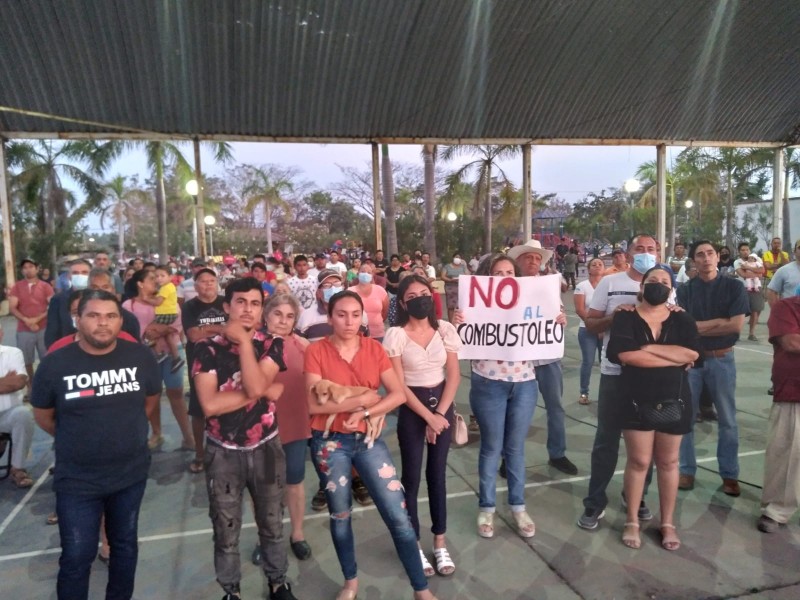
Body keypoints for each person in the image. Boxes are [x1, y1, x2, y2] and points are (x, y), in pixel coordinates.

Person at [304, 290, 437, 600]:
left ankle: (421, 589)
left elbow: (398, 394)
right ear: (330, 317)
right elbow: (313, 405)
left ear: (363, 317)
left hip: (368, 439)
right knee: (340, 516)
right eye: (341, 314)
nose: (349, 321)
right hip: (329, 442)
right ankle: (350, 583)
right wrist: (365, 396)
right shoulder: (316, 352)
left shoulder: (374, 350)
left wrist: (365, 410)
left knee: (398, 515)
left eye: (355, 314)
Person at [31, 289, 162, 600]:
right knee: (76, 557)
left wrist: (121, 433)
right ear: (77, 320)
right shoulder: (54, 365)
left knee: (125, 546)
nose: (103, 323)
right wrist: (82, 438)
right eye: (93, 315)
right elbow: (44, 417)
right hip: (77, 480)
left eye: (111, 316)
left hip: (129, 475)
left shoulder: (140, 357)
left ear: (121, 321)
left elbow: (148, 402)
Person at [192, 277, 297, 600]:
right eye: (240, 302)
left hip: (265, 446)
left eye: (254, 303)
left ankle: (277, 583)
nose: (248, 310)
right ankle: (231, 591)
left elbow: (251, 388)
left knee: (272, 523)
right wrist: (265, 390)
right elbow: (210, 405)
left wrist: (246, 347)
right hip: (223, 452)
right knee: (225, 528)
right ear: (227, 306)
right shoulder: (206, 348)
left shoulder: (271, 344)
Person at [606, 266, 701, 550]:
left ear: (671, 288)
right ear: (642, 286)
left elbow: (693, 353)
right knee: (638, 461)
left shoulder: (682, 318)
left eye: (664, 282)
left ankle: (667, 522)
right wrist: (673, 357)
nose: (658, 285)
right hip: (634, 399)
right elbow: (624, 355)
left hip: (676, 398)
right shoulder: (625, 316)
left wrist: (646, 349)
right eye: (652, 281)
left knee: (669, 463)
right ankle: (632, 520)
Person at [578, 235, 660, 531]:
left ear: (658, 253)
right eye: (640, 249)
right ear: (628, 253)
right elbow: (590, 323)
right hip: (615, 374)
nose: (645, 254)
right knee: (606, 441)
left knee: (646, 446)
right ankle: (595, 502)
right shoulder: (610, 284)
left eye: (651, 250)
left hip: (651, 377)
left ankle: (635, 497)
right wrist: (613, 318)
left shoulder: (664, 284)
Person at [383, 275, 461, 577]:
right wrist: (428, 418)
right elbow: (399, 387)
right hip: (412, 409)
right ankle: (413, 542)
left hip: (442, 405)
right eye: (412, 295)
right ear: (403, 303)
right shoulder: (396, 336)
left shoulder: (445, 330)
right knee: (412, 478)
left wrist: (440, 414)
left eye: (424, 293)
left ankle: (439, 541)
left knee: (437, 475)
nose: (420, 298)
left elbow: (453, 375)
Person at [465, 254, 538, 540]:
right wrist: (461, 321)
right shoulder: (474, 305)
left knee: (516, 448)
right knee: (491, 447)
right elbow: (463, 341)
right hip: (488, 382)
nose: (504, 277)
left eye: (509, 272)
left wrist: (554, 321)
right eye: (497, 272)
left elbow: (543, 334)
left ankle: (518, 506)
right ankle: (487, 507)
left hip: (524, 383)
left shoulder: (531, 303)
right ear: (487, 276)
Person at [676, 241, 749, 496]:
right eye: (700, 255)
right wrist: (719, 321)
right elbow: (683, 327)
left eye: (710, 253)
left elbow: (735, 326)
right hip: (691, 361)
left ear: (718, 257)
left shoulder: (734, 287)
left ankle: (730, 474)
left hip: (722, 360)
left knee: (727, 419)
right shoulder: (684, 290)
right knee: (686, 418)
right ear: (693, 260)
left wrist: (699, 326)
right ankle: (686, 470)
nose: (705, 258)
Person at [296, 269, 372, 511]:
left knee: (356, 435)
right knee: (323, 442)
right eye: (327, 285)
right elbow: (298, 350)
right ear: (318, 291)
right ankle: (325, 483)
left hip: (351, 391)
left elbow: (364, 348)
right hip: (321, 393)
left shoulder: (360, 316)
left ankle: (357, 480)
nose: (332, 288)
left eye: (337, 284)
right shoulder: (305, 317)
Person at [251, 294, 313, 566]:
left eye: (289, 317)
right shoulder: (251, 346)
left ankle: (297, 534)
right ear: (266, 315)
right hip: (260, 428)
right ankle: (264, 537)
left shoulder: (304, 346)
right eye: (278, 315)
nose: (283, 321)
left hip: (296, 424)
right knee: (262, 487)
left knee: (295, 482)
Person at [507, 239, 577, 475]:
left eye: (537, 258)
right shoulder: (507, 286)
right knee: (514, 410)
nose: (534, 262)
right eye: (529, 257)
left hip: (547, 357)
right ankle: (509, 458)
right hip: (518, 358)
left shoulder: (548, 286)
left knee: (555, 407)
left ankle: (557, 453)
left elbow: (558, 312)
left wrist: (562, 318)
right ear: (518, 261)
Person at [122, 270, 194, 453]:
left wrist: (162, 330)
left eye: (157, 278)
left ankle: (188, 436)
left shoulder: (166, 299)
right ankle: (156, 433)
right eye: (151, 279)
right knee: (150, 394)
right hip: (144, 354)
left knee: (176, 393)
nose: (156, 282)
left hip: (172, 351)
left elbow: (178, 322)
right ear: (140, 283)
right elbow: (128, 330)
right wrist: (148, 334)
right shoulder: (128, 306)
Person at [758, 292, 800, 533]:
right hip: (794, 390)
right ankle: (777, 509)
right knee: (787, 452)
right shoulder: (787, 307)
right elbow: (792, 342)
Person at [180, 267, 228, 474]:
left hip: (226, 361)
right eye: (203, 281)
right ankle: (200, 453)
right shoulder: (190, 306)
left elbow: (235, 328)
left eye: (211, 281)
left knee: (228, 406)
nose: (208, 284)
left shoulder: (226, 303)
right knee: (199, 411)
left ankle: (227, 451)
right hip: (200, 364)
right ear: (196, 285)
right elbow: (192, 335)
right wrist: (221, 328)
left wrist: (205, 331)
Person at [8, 258, 54, 393]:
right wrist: (27, 321)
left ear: (37, 268)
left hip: (44, 328)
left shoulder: (46, 286)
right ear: (22, 270)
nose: (28, 269)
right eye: (25, 267)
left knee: (46, 358)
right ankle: (31, 388)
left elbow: (52, 305)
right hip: (24, 329)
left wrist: (36, 319)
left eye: (31, 266)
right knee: (26, 360)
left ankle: (47, 387)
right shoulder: (17, 287)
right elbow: (12, 307)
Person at [0, 321, 35, 488]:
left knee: (23, 414)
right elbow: (9, 383)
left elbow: (19, 382)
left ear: (1, 334)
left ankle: (18, 469)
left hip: (7, 414)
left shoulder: (13, 353)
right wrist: (4, 381)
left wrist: (11, 382)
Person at [574, 257, 605, 404]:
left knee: (606, 362)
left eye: (600, 264)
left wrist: (602, 327)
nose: (597, 266)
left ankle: (606, 393)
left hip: (605, 330)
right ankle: (584, 393)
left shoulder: (607, 285)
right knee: (588, 361)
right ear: (589, 269)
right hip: (586, 330)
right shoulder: (582, 286)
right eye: (594, 264)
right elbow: (580, 309)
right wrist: (595, 325)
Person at [44, 258, 91, 348]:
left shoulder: (99, 297)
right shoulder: (58, 299)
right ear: (69, 276)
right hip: (67, 348)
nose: (80, 276)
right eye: (75, 273)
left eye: (84, 272)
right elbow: (52, 330)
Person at [734, 242, 765, 341]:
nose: (745, 252)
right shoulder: (737, 262)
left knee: (755, 310)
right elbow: (744, 275)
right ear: (739, 251)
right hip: (743, 287)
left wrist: (748, 268)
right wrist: (755, 272)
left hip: (756, 288)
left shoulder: (757, 259)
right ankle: (737, 332)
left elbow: (762, 272)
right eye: (742, 250)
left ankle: (751, 333)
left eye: (747, 250)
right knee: (741, 311)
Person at [354, 262, 389, 342]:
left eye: (369, 272)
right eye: (363, 272)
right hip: (357, 335)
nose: (365, 274)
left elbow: (385, 312)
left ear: (372, 275)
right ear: (358, 273)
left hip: (378, 334)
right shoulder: (350, 291)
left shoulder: (380, 290)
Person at [767, 240, 800, 306]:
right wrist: (777, 312)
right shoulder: (783, 270)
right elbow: (771, 291)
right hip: (790, 314)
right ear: (794, 251)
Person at [440, 252, 469, 323]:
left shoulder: (463, 267)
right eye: (456, 257)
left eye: (459, 257)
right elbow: (443, 276)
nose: (457, 259)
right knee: (451, 306)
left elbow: (468, 274)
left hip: (461, 287)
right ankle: (451, 322)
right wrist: (450, 280)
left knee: (460, 305)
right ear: (453, 258)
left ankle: (460, 321)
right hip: (450, 288)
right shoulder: (447, 266)